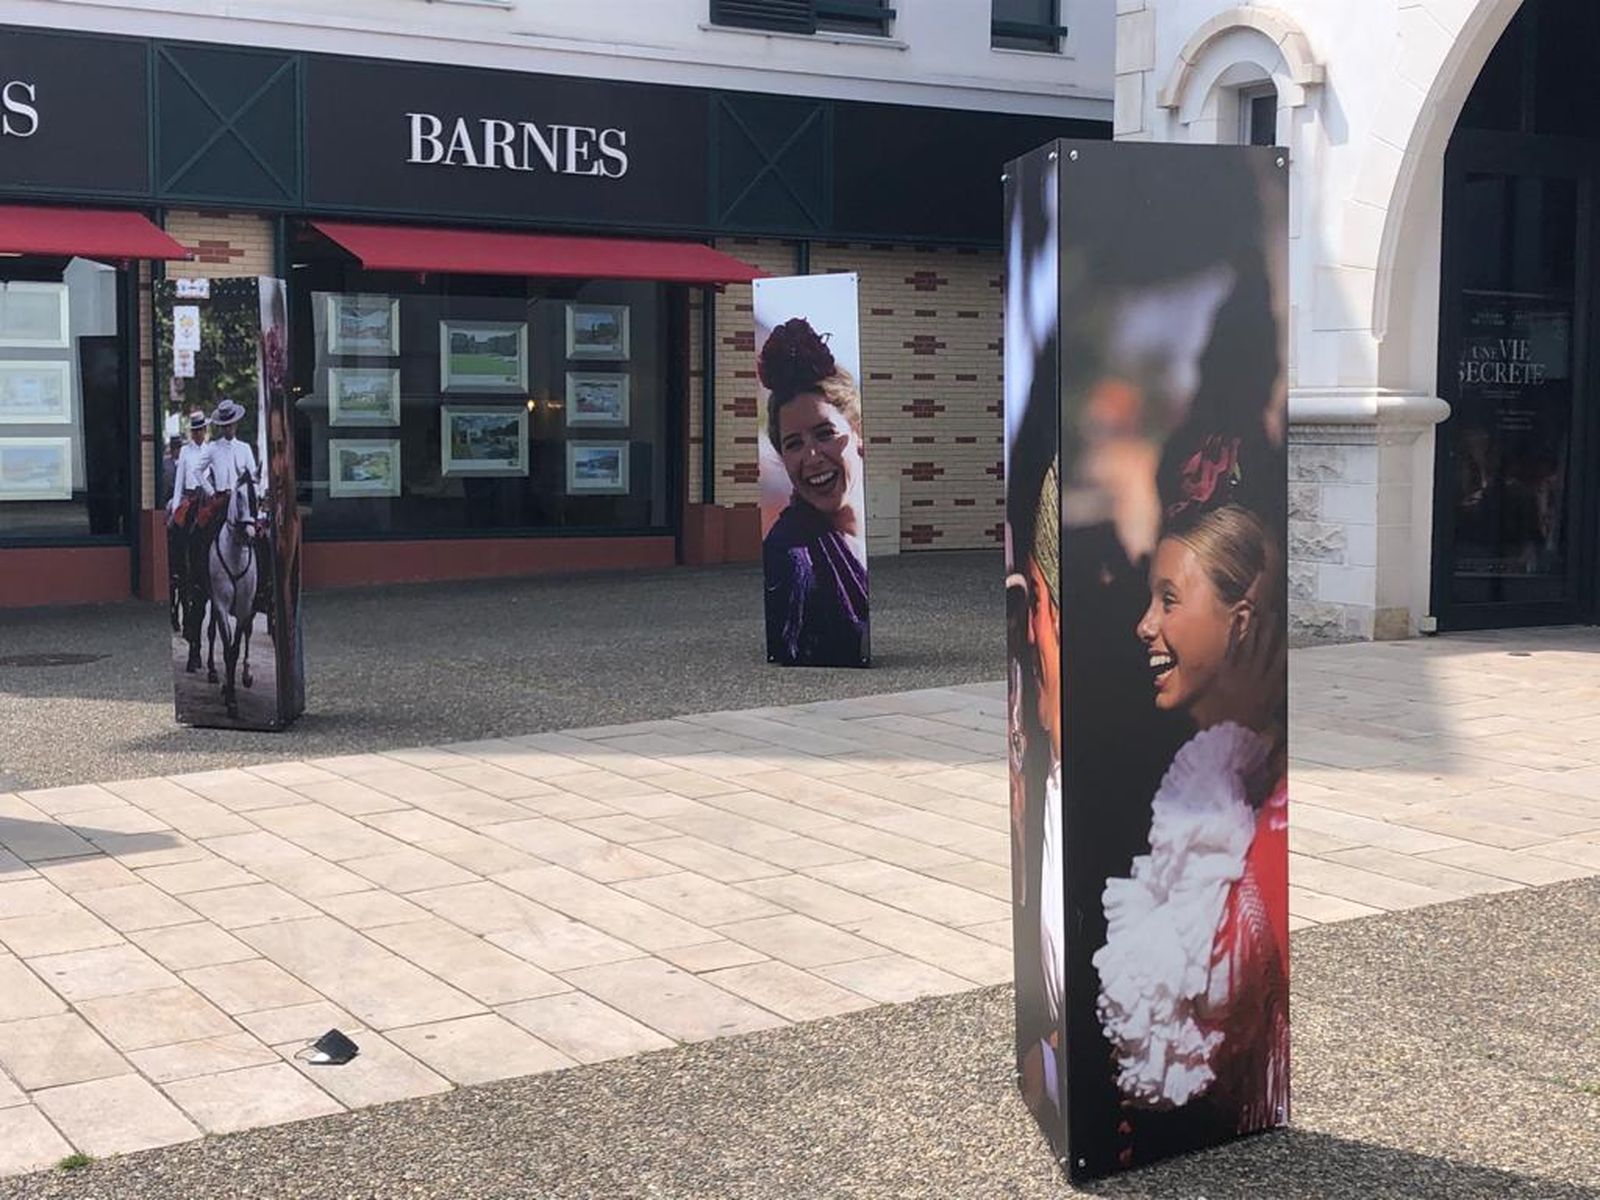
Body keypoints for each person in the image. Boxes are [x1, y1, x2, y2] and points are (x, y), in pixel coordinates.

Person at [1094, 500, 1289, 1138]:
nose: (1144, 625)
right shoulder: (1214, 778)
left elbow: (1224, 989)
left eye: (1169, 600)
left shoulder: (1263, 801)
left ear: (1241, 622)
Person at [757, 317, 869, 667]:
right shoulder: (789, 556)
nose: (812, 458)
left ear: (857, 430)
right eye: (793, 443)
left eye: (824, 434)